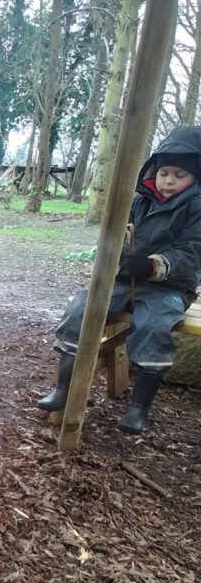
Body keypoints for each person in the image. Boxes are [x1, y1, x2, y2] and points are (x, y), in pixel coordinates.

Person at [37, 125, 201, 434]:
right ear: (154, 170)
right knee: (81, 309)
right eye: (165, 172)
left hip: (167, 286)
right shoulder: (139, 200)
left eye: (179, 175)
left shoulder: (196, 206)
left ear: (194, 177)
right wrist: (119, 254)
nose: (169, 180)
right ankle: (64, 386)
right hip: (126, 280)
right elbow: (117, 233)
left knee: (153, 326)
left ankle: (139, 408)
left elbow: (191, 251)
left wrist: (154, 266)